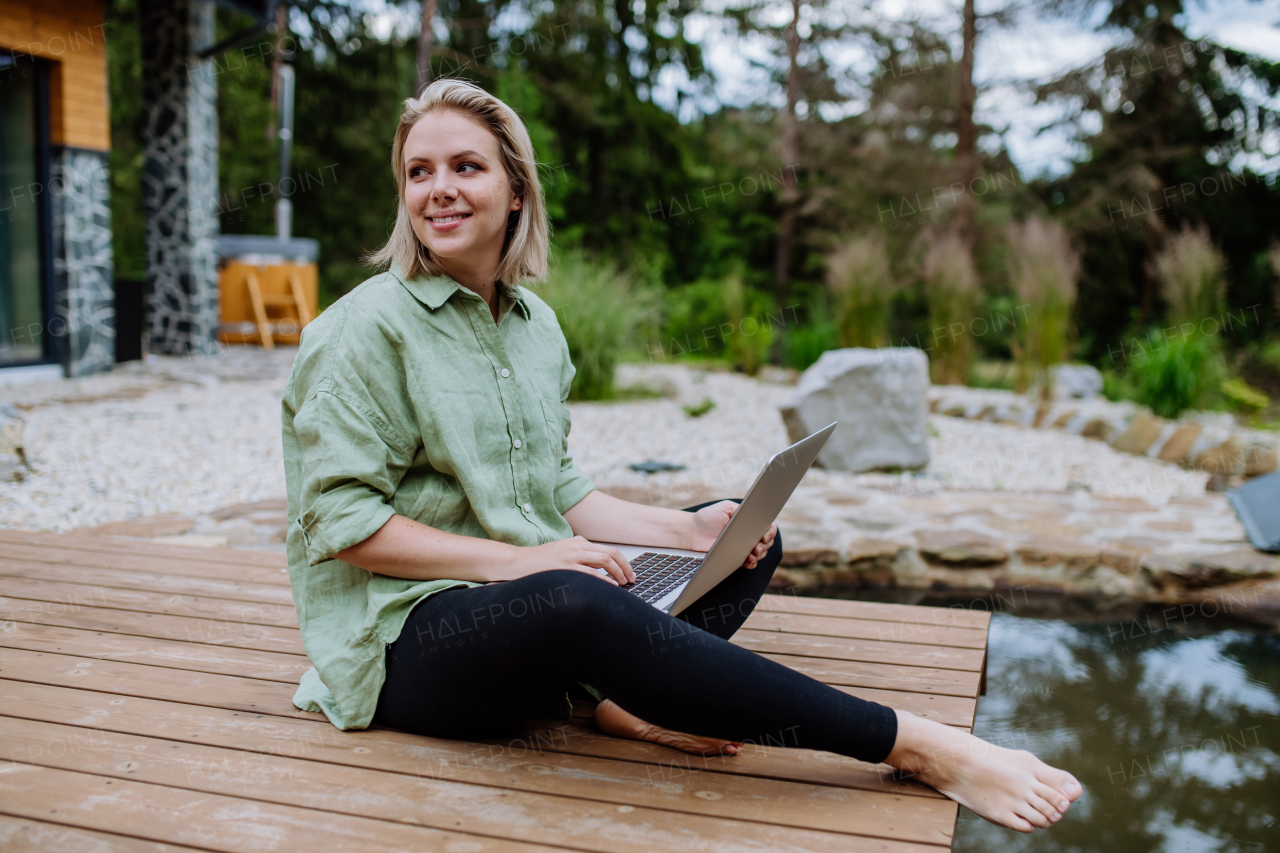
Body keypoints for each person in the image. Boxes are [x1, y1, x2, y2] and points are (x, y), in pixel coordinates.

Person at [281, 77, 1083, 834]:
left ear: (517, 189)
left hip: (525, 615)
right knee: (572, 595)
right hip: (407, 648)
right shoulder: (362, 329)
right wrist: (522, 566)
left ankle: (622, 700)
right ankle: (914, 743)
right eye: (419, 171)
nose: (439, 189)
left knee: (743, 542)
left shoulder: (534, 327)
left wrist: (690, 530)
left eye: (466, 166)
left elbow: (555, 486)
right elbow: (344, 524)